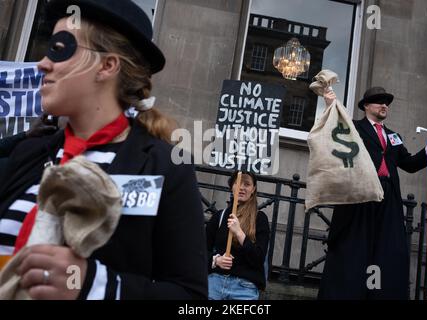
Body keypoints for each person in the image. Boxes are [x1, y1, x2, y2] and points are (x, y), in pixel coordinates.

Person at [0, 0, 207, 300]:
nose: (43, 63)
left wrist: (92, 283)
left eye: (61, 48)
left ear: (107, 66)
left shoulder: (162, 166)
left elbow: (190, 297)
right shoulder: (28, 153)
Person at [318, 87, 427, 300]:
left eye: (386, 102)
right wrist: (331, 104)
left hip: (388, 199)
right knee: (355, 247)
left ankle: (374, 292)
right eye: (378, 101)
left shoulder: (394, 137)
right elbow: (335, 132)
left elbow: (410, 164)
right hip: (362, 196)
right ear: (366, 105)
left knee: (386, 250)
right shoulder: (354, 128)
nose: (384, 105)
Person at [206, 171, 270, 300]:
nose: (242, 188)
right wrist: (216, 260)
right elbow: (201, 251)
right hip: (215, 283)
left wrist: (239, 233)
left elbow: (258, 258)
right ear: (232, 187)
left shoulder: (260, 219)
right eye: (238, 183)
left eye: (247, 184)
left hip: (244, 287)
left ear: (253, 189)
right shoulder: (219, 216)